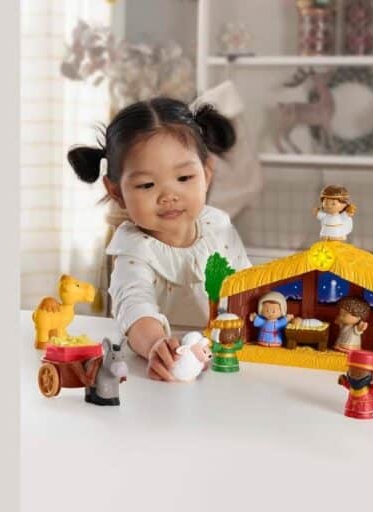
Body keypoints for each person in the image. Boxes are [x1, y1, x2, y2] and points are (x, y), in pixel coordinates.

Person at [67, 97, 251, 382]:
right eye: (146, 185)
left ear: (206, 174)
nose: (168, 196)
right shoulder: (134, 248)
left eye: (184, 178)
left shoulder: (218, 226)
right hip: (167, 373)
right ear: (116, 192)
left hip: (227, 364)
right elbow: (134, 303)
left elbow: (247, 284)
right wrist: (156, 343)